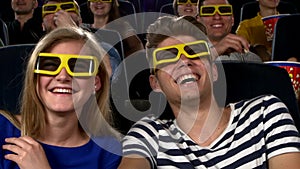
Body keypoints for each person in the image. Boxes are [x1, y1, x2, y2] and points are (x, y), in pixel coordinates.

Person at [117, 15, 300, 169]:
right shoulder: (148, 134)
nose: (184, 61)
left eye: (194, 52)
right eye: (168, 57)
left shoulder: (265, 112)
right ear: (155, 83)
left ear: (214, 71)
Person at [0, 26, 121, 169]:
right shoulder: (3, 128)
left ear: (96, 83)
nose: (63, 76)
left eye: (78, 67)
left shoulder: (109, 151)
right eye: (50, 65)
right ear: (35, 78)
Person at [42, 0, 121, 77]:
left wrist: (72, 31)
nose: (59, 12)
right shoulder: (34, 52)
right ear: (42, 25)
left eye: (68, 7)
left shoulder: (103, 47)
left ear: (80, 22)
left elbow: (109, 71)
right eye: (50, 9)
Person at [196, 0, 261, 62]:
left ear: (232, 19)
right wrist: (215, 51)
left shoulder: (249, 58)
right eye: (208, 11)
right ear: (198, 20)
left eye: (224, 10)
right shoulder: (188, 49)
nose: (217, 17)